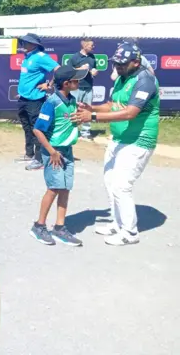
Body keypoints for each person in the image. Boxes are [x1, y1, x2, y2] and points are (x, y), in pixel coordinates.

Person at [73, 42, 160, 246]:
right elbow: (112, 105)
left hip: (139, 141)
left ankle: (130, 232)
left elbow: (130, 112)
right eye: (116, 63)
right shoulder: (123, 78)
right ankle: (117, 222)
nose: (118, 67)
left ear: (136, 62)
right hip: (119, 139)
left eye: (122, 64)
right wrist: (91, 106)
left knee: (122, 186)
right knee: (110, 181)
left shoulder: (145, 80)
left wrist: (91, 117)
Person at [29, 65, 88, 247]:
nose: (79, 82)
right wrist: (52, 152)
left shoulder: (72, 100)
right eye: (76, 80)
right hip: (54, 151)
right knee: (54, 188)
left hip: (68, 151)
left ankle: (59, 227)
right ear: (66, 83)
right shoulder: (52, 103)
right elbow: (38, 130)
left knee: (65, 188)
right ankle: (39, 226)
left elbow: (68, 121)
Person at [16, 34, 60, 171]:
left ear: (34, 44)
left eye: (26, 42)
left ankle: (39, 159)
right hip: (23, 98)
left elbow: (58, 68)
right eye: (23, 42)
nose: (23, 44)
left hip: (35, 99)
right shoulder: (27, 57)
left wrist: (49, 85)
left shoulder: (41, 56)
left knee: (37, 129)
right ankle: (30, 154)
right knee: (26, 127)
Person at [67, 37, 98, 139]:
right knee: (74, 109)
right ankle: (71, 131)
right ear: (84, 45)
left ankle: (85, 132)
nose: (93, 47)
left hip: (88, 87)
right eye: (91, 45)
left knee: (87, 109)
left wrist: (94, 71)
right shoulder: (74, 57)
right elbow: (68, 71)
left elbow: (94, 69)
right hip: (77, 87)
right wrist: (80, 69)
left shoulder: (92, 57)